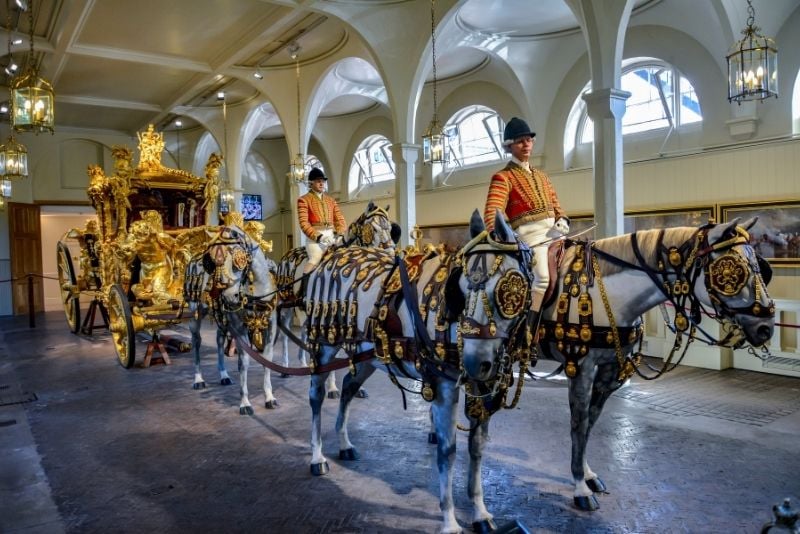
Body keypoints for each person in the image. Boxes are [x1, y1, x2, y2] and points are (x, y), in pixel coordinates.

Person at [483, 116, 569, 320]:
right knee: (542, 277)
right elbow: (492, 213)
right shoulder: (503, 177)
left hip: (556, 234)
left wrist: (563, 220)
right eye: (520, 141)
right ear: (509, 145)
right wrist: (509, 238)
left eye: (529, 140)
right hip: (529, 240)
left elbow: (557, 206)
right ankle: (528, 328)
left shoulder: (542, 176)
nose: (526, 144)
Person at [297, 167, 347, 283]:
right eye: (318, 181)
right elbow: (304, 223)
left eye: (323, 181)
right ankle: (304, 292)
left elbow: (340, 219)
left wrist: (340, 234)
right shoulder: (303, 200)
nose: (321, 183)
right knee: (315, 259)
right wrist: (319, 237)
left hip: (332, 236)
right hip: (314, 240)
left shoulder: (331, 201)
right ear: (311, 183)